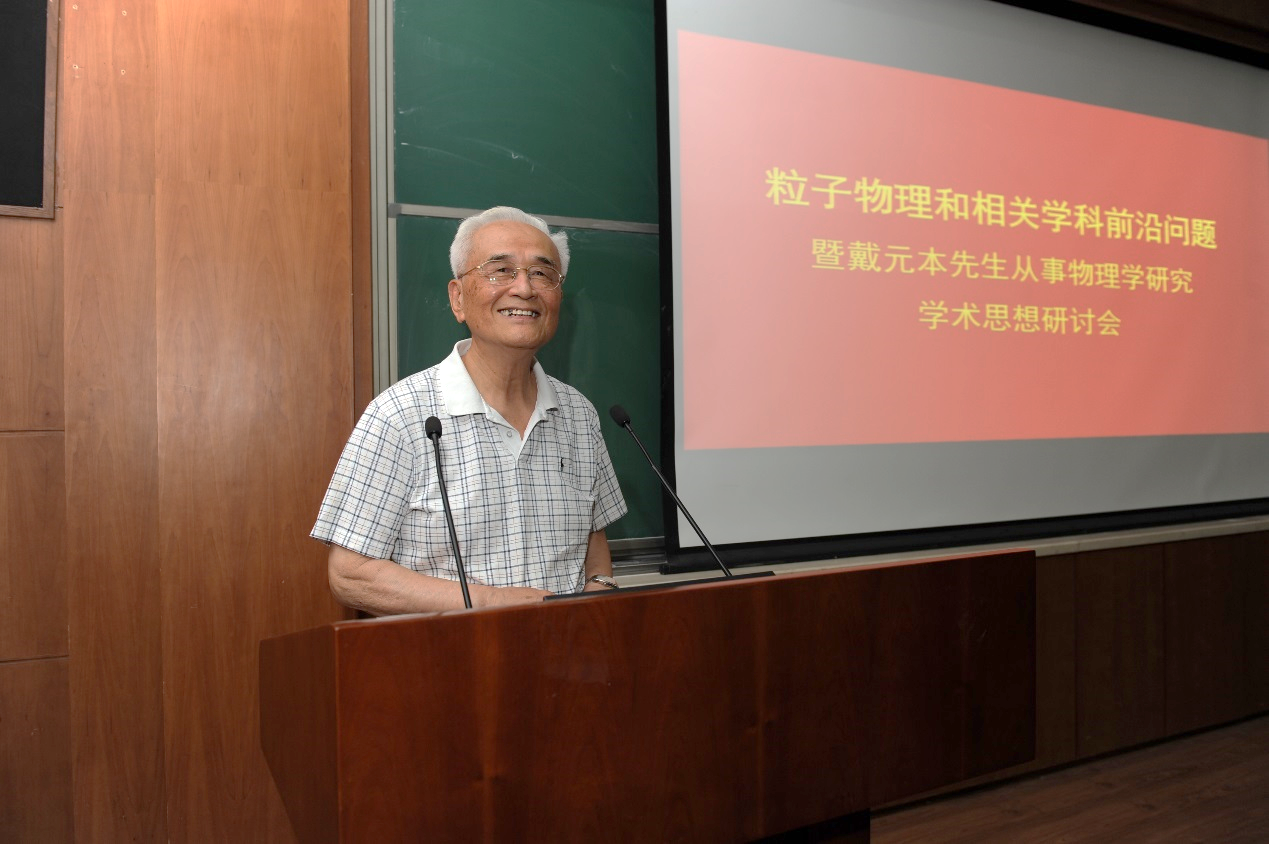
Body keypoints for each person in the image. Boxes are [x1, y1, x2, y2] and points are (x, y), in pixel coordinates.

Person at [311, 206, 626, 614]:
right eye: (501, 271)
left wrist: (599, 586)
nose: (524, 289)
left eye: (541, 273)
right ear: (458, 298)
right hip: (451, 651)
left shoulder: (580, 415)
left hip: (566, 648)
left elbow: (593, 538)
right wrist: (493, 603)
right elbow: (351, 574)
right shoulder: (399, 415)